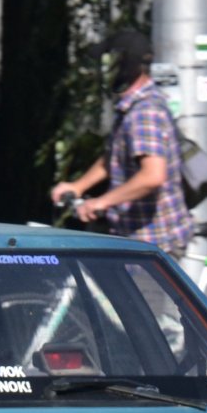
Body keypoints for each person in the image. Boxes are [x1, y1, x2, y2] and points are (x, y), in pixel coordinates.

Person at [50, 28, 194, 259]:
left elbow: (152, 176)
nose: (102, 72)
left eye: (108, 63)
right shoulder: (130, 107)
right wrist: (78, 187)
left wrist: (101, 202)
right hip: (134, 237)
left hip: (154, 245)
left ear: (125, 63)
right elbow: (113, 157)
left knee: (135, 297)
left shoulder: (144, 112)